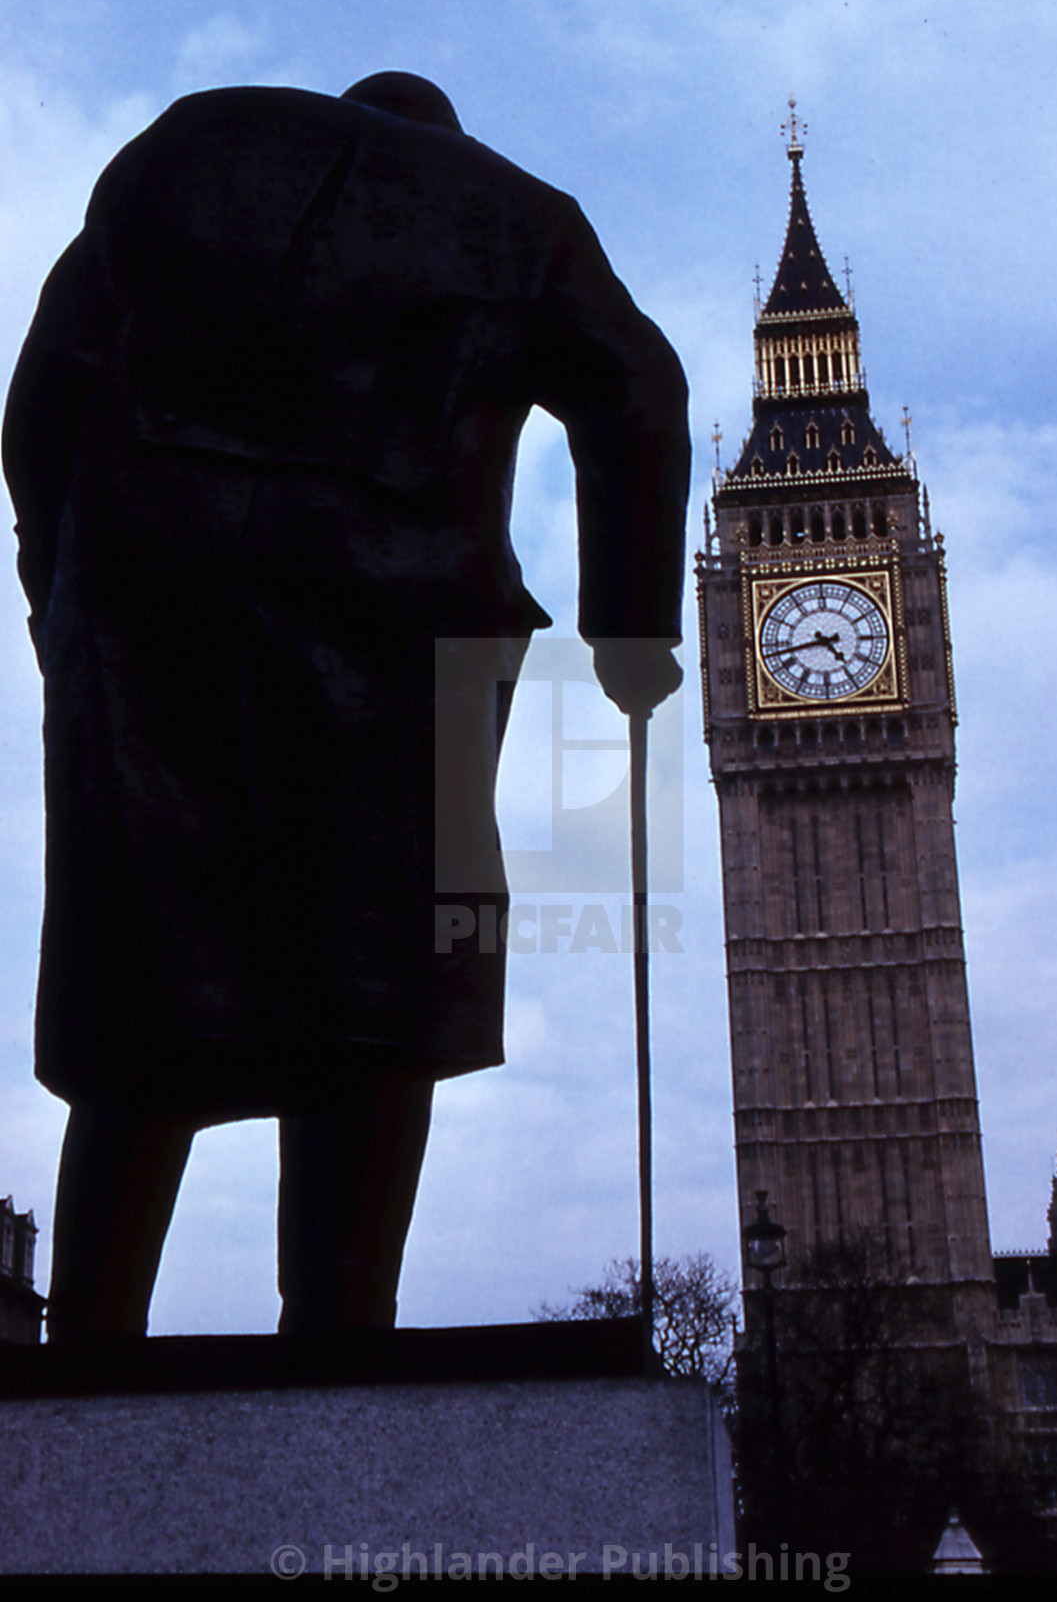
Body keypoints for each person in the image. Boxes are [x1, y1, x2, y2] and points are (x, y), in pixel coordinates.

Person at [2, 72, 690, 1339]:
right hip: (405, 625)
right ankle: (339, 1316)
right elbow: (636, 389)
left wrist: (60, 584)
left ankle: (89, 1328)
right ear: (449, 132)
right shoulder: (522, 217)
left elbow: (46, 382)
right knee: (384, 987)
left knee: (143, 978)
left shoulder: (193, 139)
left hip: (149, 605)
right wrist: (629, 633)